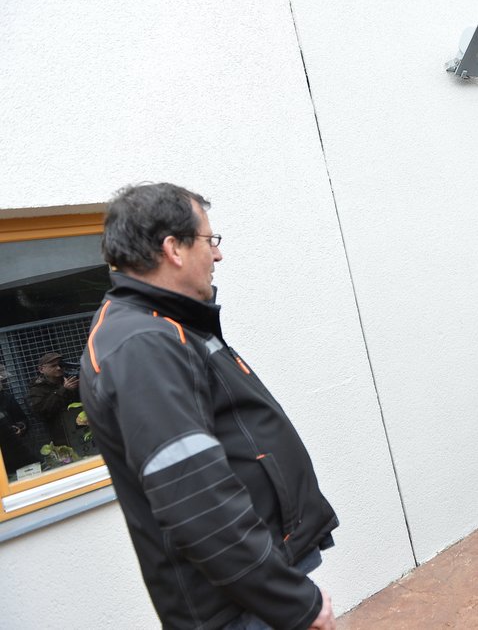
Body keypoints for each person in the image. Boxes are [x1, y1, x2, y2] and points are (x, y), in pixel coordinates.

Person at [80, 183, 339, 630]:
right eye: (209, 241)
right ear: (172, 249)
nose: (217, 255)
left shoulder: (167, 326)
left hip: (254, 585)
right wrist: (294, 602)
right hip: (237, 607)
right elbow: (197, 502)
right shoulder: (142, 344)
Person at [28, 351, 80, 449]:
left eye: (60, 364)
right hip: (61, 435)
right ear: (41, 369)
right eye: (53, 366)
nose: (58, 368)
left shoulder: (69, 379)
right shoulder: (37, 388)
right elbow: (41, 411)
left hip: (80, 427)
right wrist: (64, 390)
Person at [1, 363, 35, 474]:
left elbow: (23, 420)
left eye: (4, 380)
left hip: (13, 451)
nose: (4, 382)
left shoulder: (7, 398)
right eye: (2, 380)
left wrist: (19, 427)